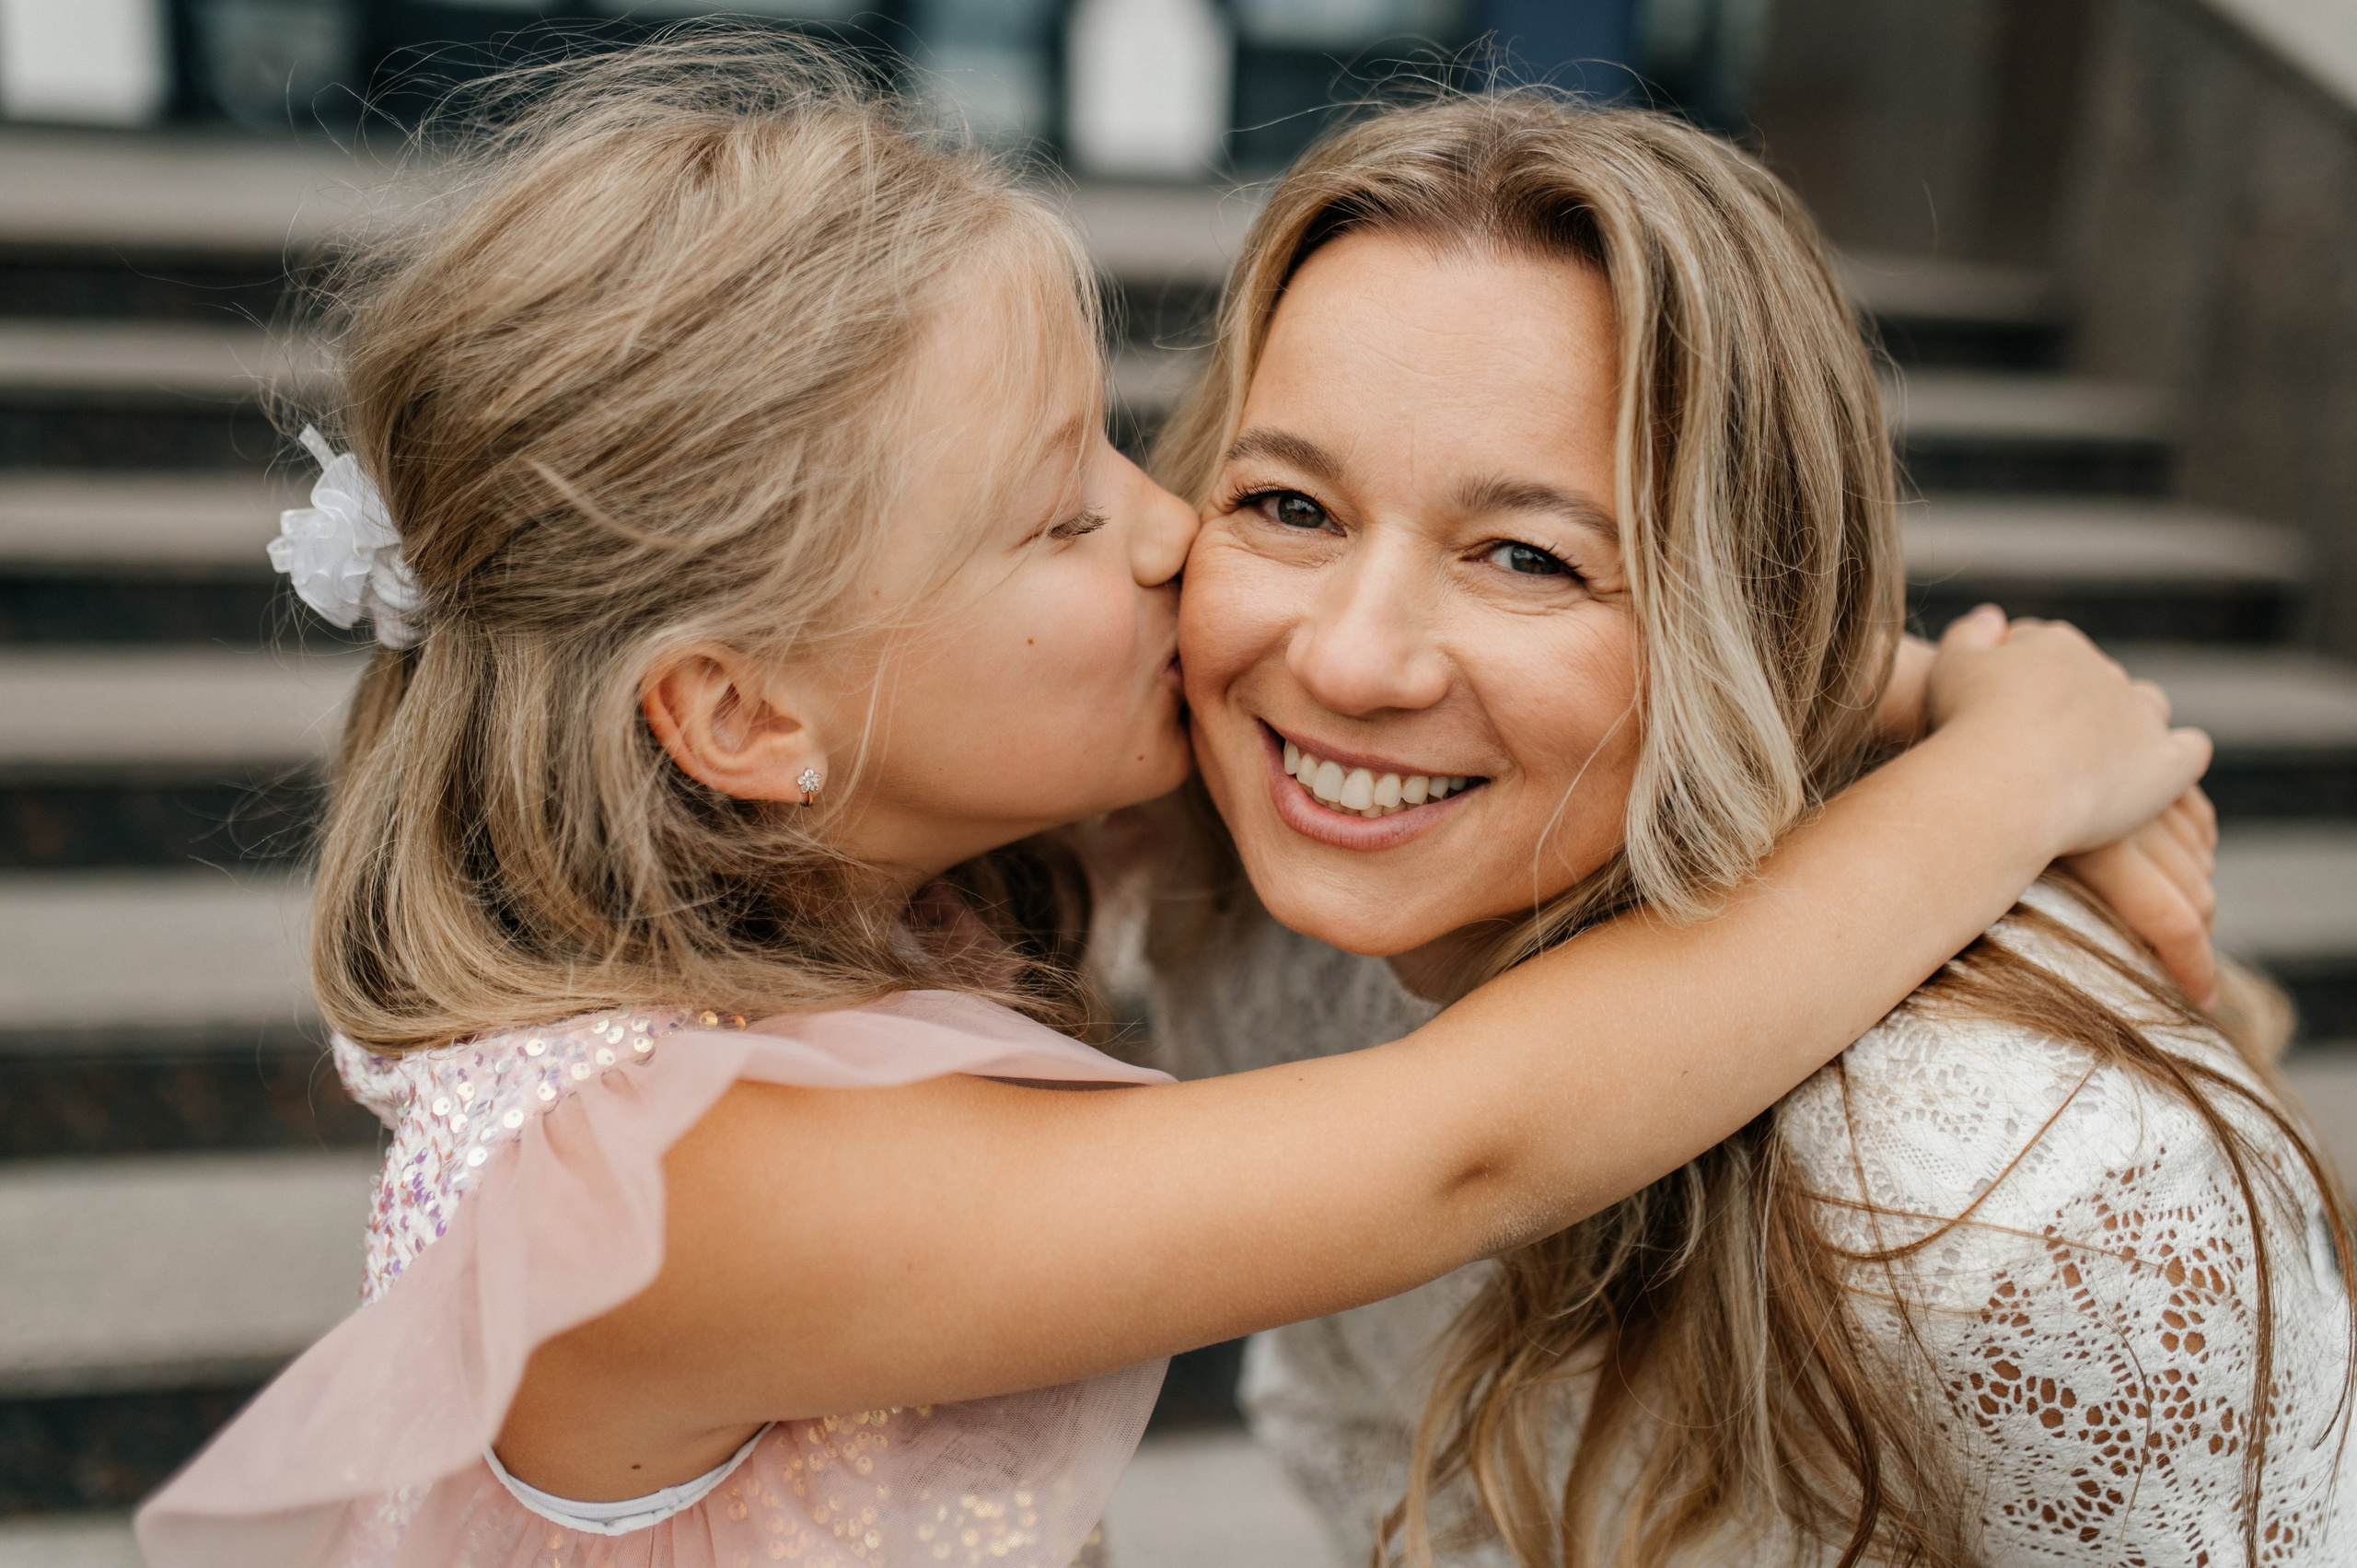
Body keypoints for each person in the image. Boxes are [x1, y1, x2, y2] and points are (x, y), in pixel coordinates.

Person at [135, 38, 2210, 1568]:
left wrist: (1902, 673)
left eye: (1136, 453)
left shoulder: (857, 868)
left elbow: (1569, 656)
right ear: (746, 718)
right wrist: (2014, 773)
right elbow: (1467, 1148)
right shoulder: (650, 1202)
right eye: (1058, 511)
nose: (1172, 538)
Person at [1145, 92, 2352, 1565]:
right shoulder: (1234, 905)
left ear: (1749, 621)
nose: (1345, 662)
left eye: (1526, 553)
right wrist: (1986, 727)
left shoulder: (2017, 1215)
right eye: (1289, 504)